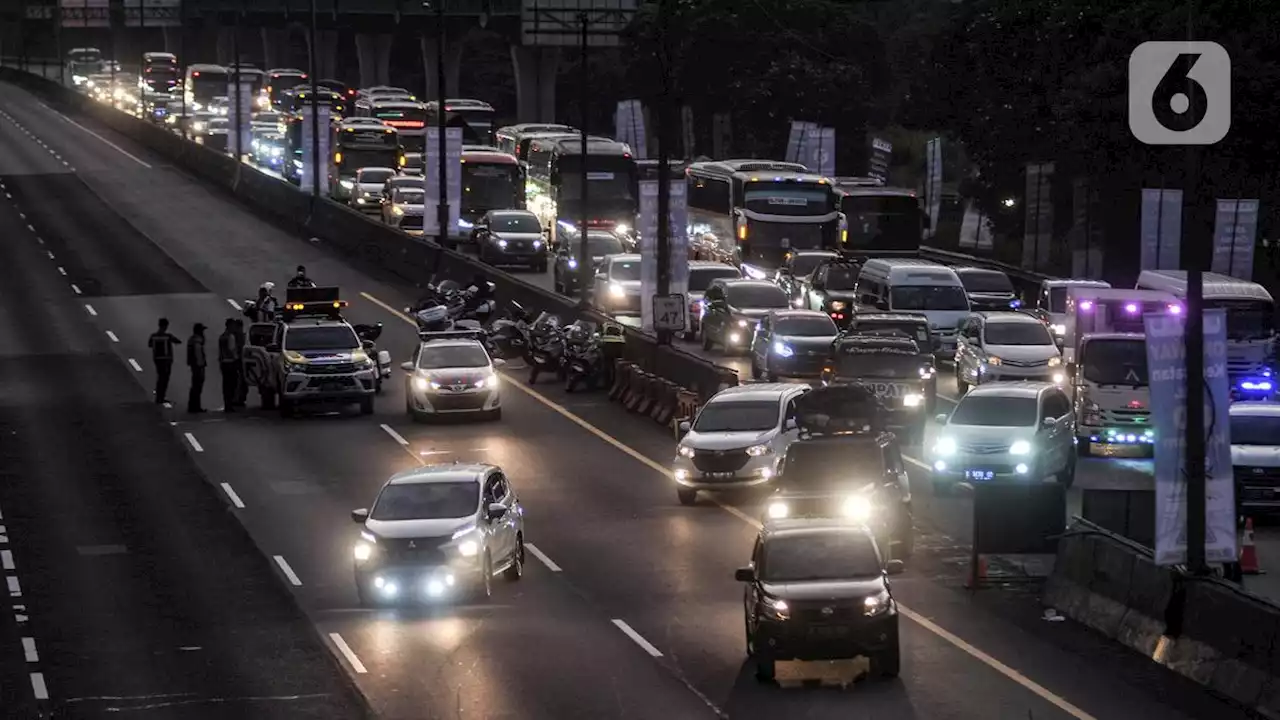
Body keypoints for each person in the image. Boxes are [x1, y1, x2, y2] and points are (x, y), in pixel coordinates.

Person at [147, 318, 182, 405]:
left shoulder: (153, 336)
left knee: (160, 377)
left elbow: (150, 345)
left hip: (157, 359)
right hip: (166, 360)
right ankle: (161, 397)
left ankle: (159, 396)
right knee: (165, 378)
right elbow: (178, 341)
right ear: (166, 326)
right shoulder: (168, 336)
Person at [217, 319, 241, 412]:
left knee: (226, 385)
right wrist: (237, 359)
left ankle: (227, 403)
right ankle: (229, 404)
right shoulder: (231, 336)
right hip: (230, 363)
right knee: (232, 384)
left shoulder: (222, 336)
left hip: (223, 362)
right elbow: (232, 350)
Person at [187, 323, 207, 413]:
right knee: (197, 386)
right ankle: (195, 407)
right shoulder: (197, 341)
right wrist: (201, 365)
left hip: (194, 365)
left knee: (195, 386)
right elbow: (198, 354)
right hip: (198, 366)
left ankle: (193, 405)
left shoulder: (192, 339)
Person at [232, 318, 249, 407]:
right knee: (238, 381)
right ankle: (237, 398)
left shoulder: (241, 336)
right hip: (238, 361)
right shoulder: (237, 337)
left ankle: (239, 398)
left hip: (240, 361)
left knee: (240, 381)